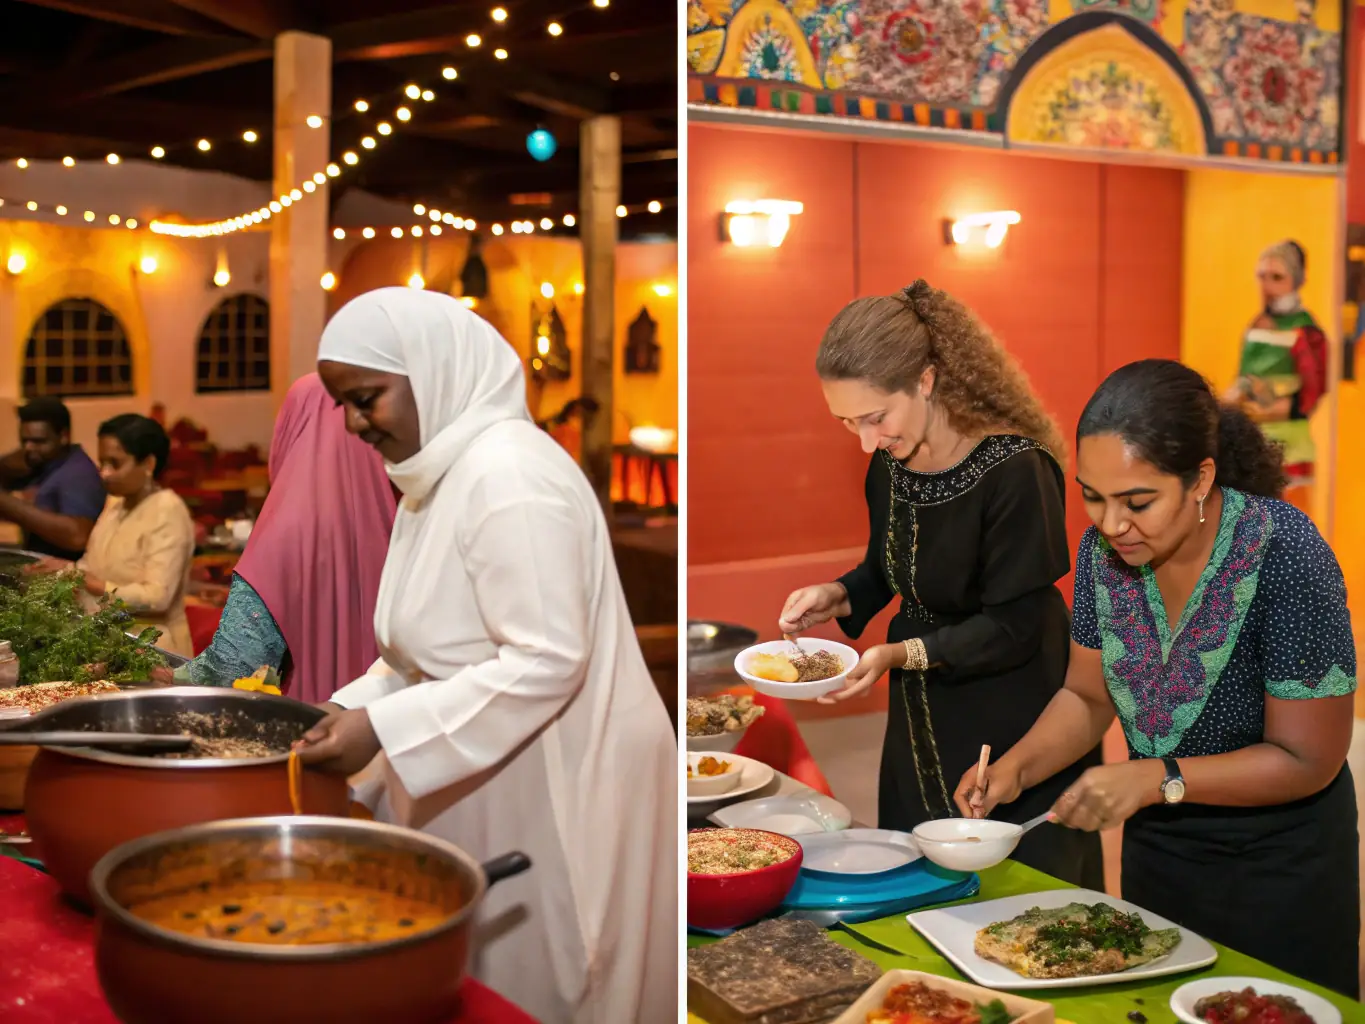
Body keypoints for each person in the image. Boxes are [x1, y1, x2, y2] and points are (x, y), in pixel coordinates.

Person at [294, 288, 676, 1023]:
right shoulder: (437, 472)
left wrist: (379, 731)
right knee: (491, 971)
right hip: (497, 765)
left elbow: (545, 658)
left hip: (565, 774)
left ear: (431, 371)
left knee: (559, 972)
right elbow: (425, 651)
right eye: (342, 404)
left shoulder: (507, 475)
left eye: (366, 398)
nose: (352, 424)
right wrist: (349, 705)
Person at [957, 359, 1358, 997]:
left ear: (1200, 479)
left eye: (1137, 501)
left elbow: (1309, 757)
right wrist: (1017, 768)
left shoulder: (1287, 554)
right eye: (1092, 495)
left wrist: (1158, 776)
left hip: (1279, 864)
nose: (1111, 524)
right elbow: (1088, 695)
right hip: (1162, 852)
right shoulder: (1103, 556)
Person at [778, 280, 1103, 888]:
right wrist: (839, 594)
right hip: (922, 703)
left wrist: (898, 652)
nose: (867, 441)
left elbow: (1017, 624)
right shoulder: (890, 465)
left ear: (925, 380)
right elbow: (887, 567)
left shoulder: (1016, 470)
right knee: (918, 869)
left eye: (875, 418)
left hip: (1013, 700)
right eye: (848, 423)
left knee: (1022, 887)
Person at [175, 374, 397, 700]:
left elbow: (234, 667)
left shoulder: (283, 528)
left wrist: (170, 674)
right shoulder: (402, 520)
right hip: (392, 727)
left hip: (317, 729)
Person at [76, 414, 196, 656]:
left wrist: (96, 585)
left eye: (115, 463)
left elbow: (157, 597)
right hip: (109, 645)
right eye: (102, 463)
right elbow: (91, 563)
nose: (105, 473)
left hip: (155, 651)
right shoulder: (115, 505)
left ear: (149, 464)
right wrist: (61, 575)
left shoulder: (167, 510)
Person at [1224, 239, 1327, 515]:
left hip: (1290, 447)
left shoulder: (1306, 332)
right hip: (1254, 444)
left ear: (1296, 280)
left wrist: (1268, 409)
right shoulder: (1256, 325)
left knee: (1289, 525)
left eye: (1277, 277)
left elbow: (1310, 396)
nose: (1267, 286)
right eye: (1263, 277)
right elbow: (1243, 378)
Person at [0, 398, 106, 561]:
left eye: (38, 441)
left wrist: (6, 502)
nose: (28, 448)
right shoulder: (44, 462)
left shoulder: (77, 474)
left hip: (64, 579)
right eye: (24, 441)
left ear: (63, 436)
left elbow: (78, 536)